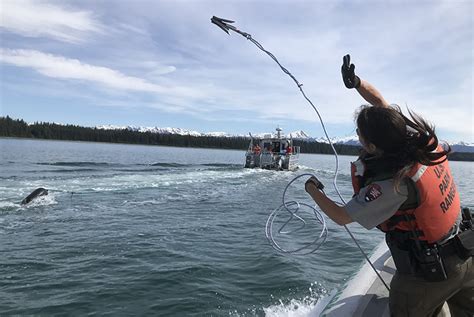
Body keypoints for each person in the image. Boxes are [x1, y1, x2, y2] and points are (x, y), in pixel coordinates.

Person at [305, 54, 473, 316]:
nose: (359, 139)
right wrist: (357, 83)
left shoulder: (394, 184)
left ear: (372, 147)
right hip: (467, 253)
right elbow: (380, 102)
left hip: (432, 274)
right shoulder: (417, 140)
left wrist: (311, 189)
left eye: (360, 136)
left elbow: (340, 216)